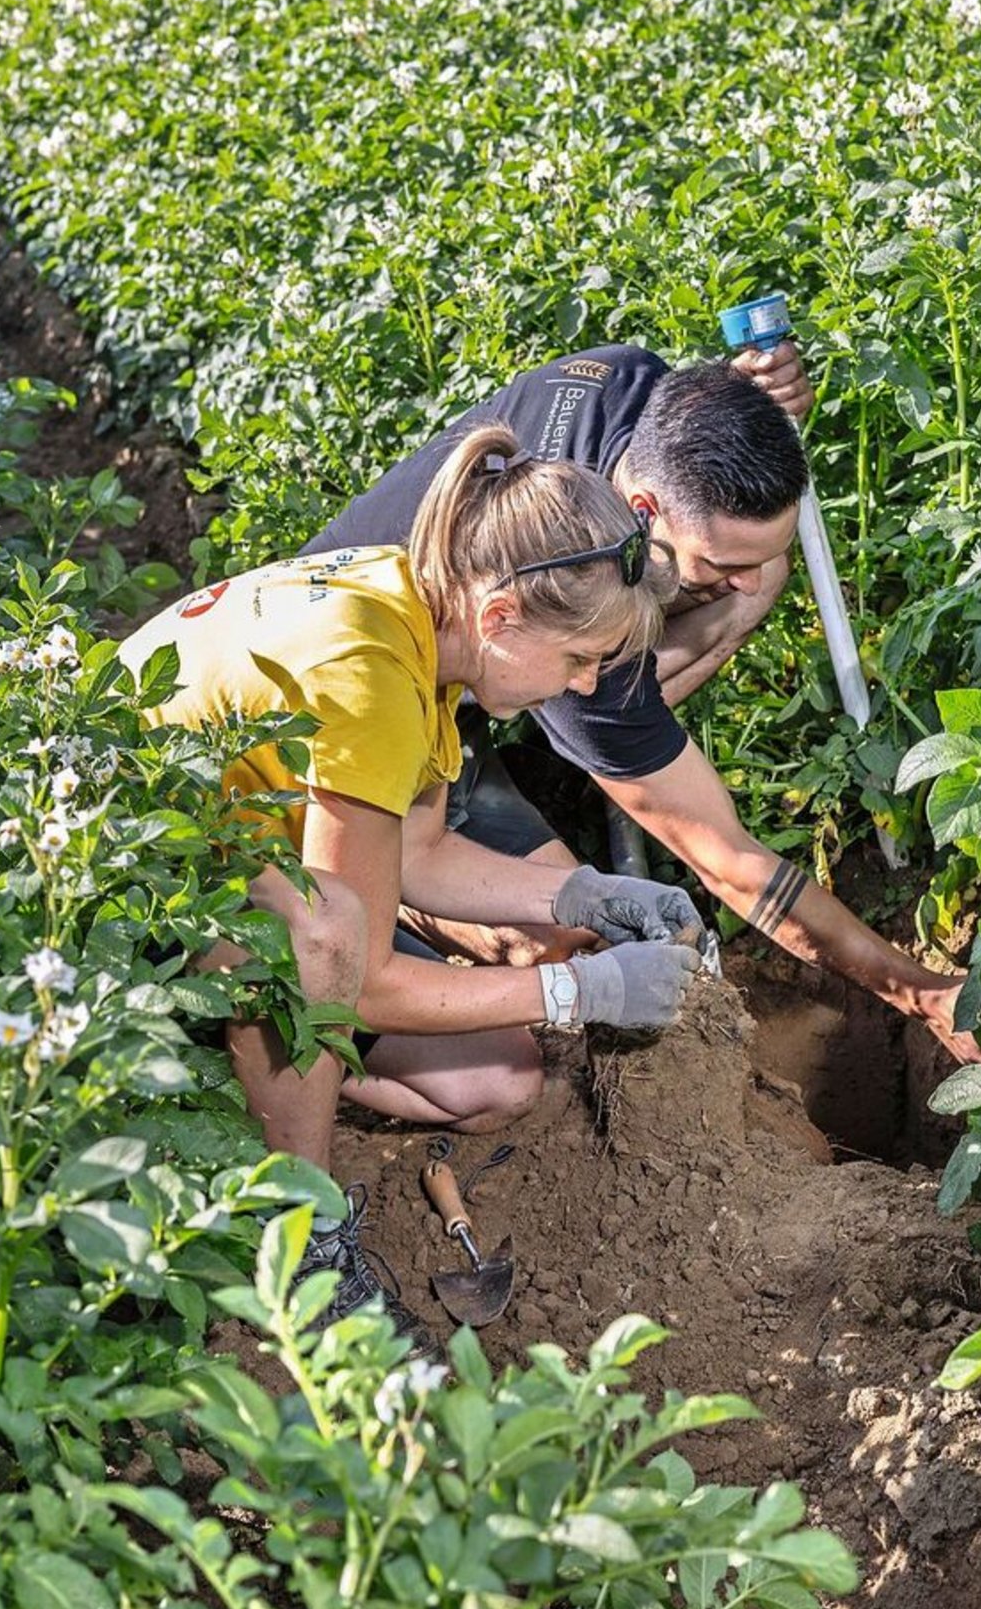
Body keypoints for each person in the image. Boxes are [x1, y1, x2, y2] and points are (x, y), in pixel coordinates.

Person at [122, 424, 702, 1333]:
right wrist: (577, 988)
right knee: (318, 944)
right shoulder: (373, 672)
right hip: (110, 892)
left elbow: (422, 856)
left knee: (494, 1087)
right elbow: (358, 975)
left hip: (220, 878)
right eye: (582, 659)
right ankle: (299, 1243)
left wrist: (581, 894)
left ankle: (232, 1059)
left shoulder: (426, 616)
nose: (586, 687)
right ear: (504, 617)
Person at [303, 342, 981, 1064]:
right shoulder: (571, 624)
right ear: (641, 514)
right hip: (349, 706)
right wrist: (921, 994)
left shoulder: (636, 387)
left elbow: (710, 428)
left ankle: (605, 767)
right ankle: (422, 863)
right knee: (572, 941)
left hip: (468, 654)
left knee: (756, 577)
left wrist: (747, 398)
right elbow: (730, 861)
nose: (746, 583)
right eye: (720, 564)